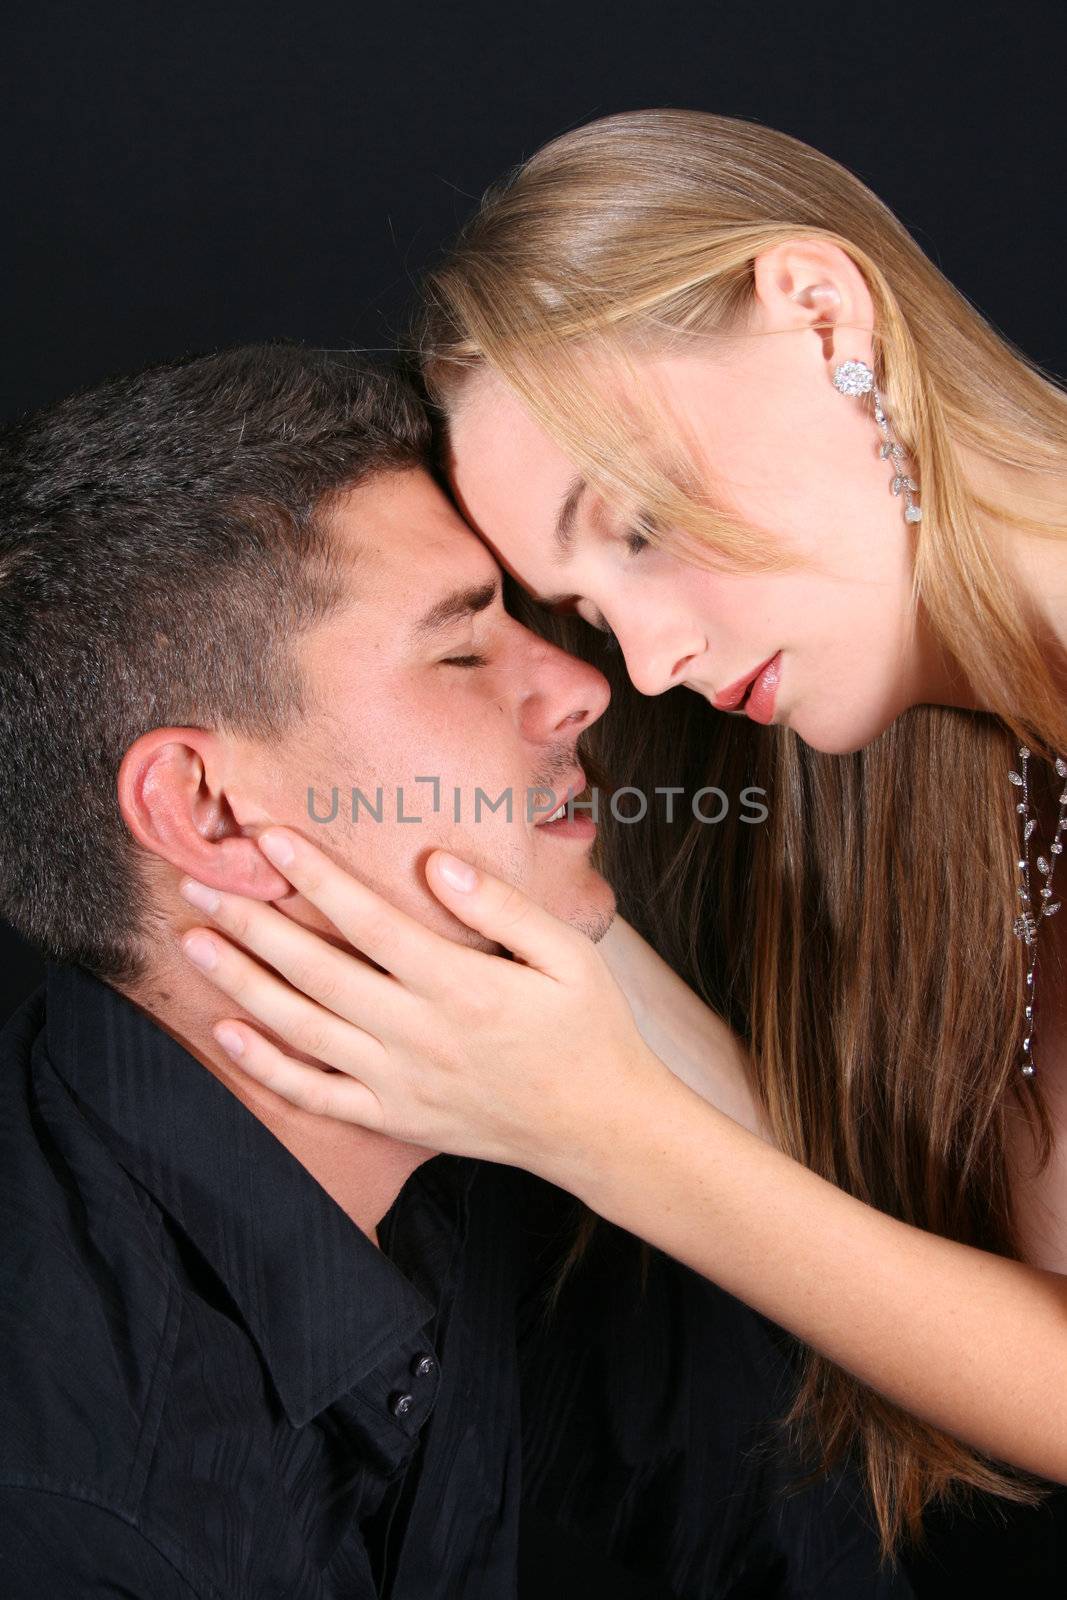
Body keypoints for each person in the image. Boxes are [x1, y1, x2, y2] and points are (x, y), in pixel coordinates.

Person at [175, 109, 1067, 1569]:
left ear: (819, 313)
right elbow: (919, 1263)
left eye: (639, 522)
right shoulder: (976, 767)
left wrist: (597, 1131)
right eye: (583, 608)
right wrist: (513, 903)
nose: (643, 662)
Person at [0, 342, 911, 1598]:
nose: (586, 686)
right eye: (460, 649)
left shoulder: (471, 1139)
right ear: (208, 810)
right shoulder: (76, 1513)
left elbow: (790, 1530)